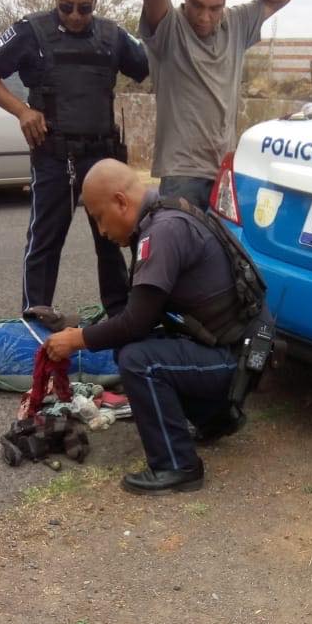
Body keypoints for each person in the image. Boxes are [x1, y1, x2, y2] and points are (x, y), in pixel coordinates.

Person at [44, 159, 256, 494]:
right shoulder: (165, 215)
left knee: (138, 359)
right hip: (233, 351)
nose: (101, 230)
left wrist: (76, 339)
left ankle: (177, 465)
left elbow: (135, 322)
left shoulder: (161, 231)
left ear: (121, 201)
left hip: (230, 360)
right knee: (138, 346)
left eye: (100, 217)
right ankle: (215, 419)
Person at [0, 0, 149, 315]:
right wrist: (22, 111)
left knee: (113, 239)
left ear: (96, 0)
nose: (74, 15)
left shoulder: (112, 36)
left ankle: (121, 319)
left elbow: (149, 64)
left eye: (84, 8)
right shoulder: (30, 32)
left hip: (103, 155)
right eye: (66, 6)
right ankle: (35, 317)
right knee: (45, 240)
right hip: (55, 156)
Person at [139, 0, 294, 210]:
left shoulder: (236, 23)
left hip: (224, 170)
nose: (204, 17)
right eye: (196, 5)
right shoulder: (169, 28)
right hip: (182, 173)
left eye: (214, 7)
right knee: (181, 247)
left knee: (219, 250)